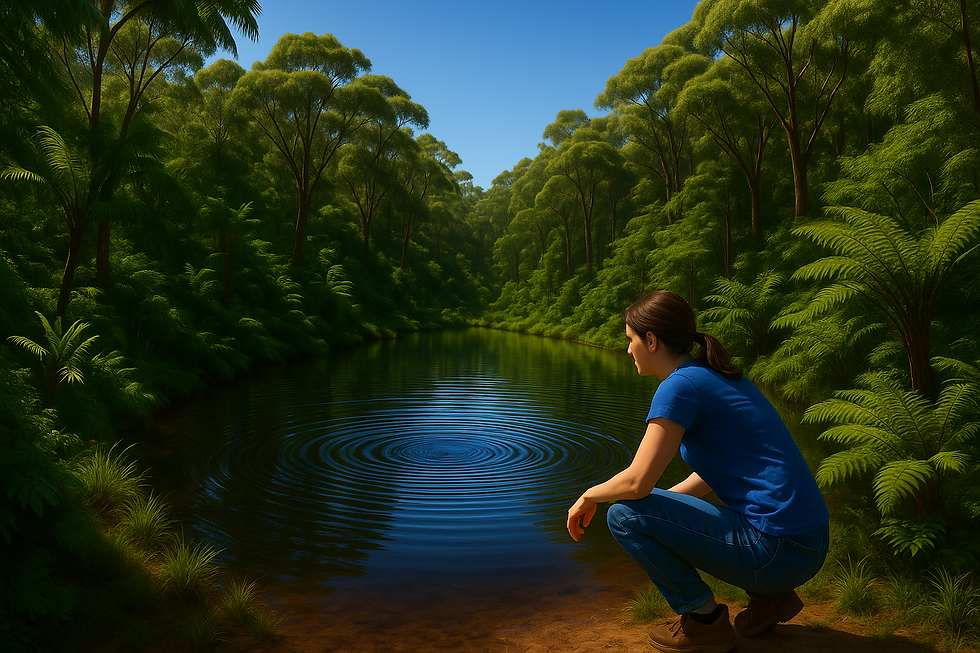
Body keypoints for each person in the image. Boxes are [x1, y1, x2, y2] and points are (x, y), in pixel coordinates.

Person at [566, 290, 829, 653]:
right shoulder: (712, 376)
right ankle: (772, 599)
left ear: (651, 340)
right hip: (808, 544)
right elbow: (711, 474)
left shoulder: (679, 387)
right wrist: (662, 517)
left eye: (630, 340)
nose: (628, 350)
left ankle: (704, 621)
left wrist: (588, 495)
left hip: (778, 552)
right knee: (641, 510)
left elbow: (637, 482)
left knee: (622, 514)